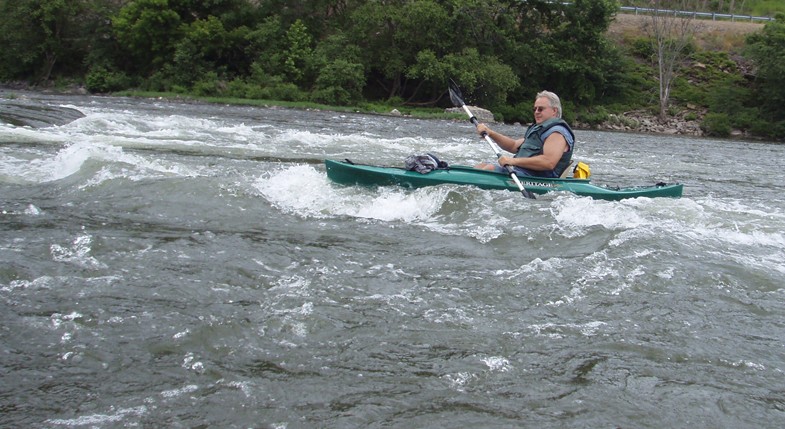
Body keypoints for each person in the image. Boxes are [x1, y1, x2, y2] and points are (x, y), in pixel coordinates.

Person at [475, 90, 574, 178]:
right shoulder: (538, 129)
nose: (536, 112)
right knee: (480, 166)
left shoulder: (557, 133)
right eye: (534, 109)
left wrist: (512, 161)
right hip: (523, 172)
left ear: (554, 111)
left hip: (538, 179)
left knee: (490, 169)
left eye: (540, 109)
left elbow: (549, 162)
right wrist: (491, 133)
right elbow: (513, 145)